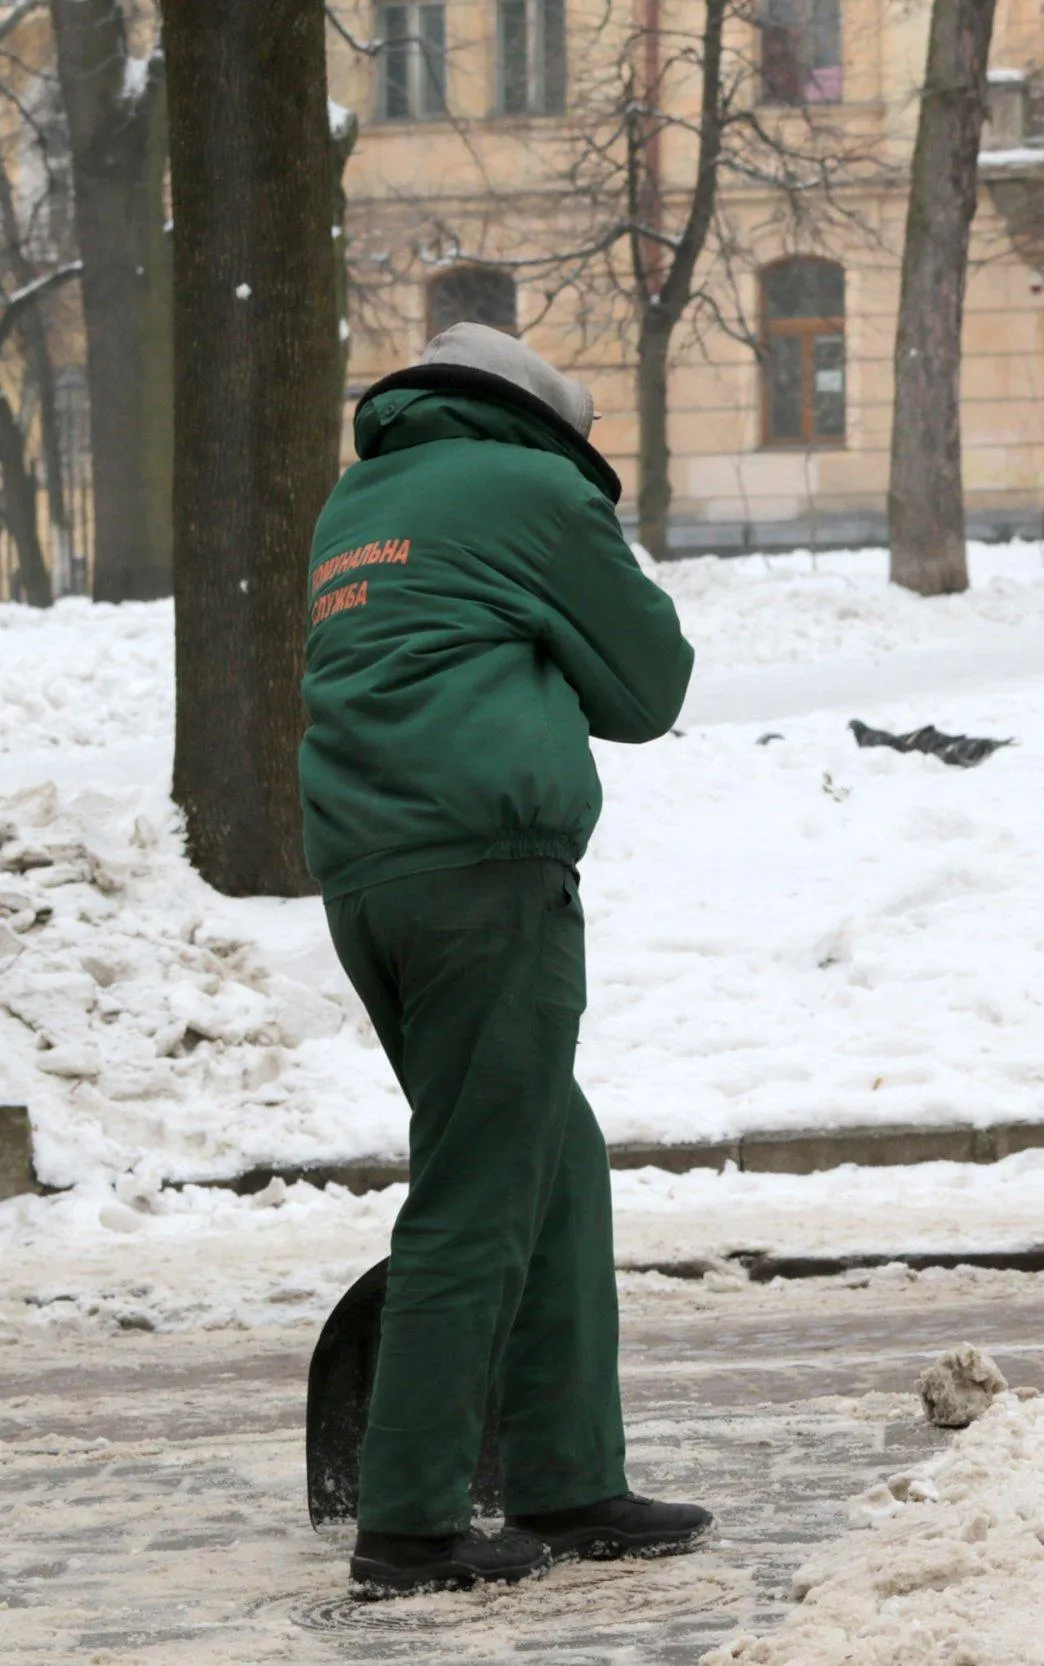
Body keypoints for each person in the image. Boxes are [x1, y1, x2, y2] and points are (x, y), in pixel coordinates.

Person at [300, 324, 708, 1598]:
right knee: (479, 1181)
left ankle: (567, 1473)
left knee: (552, 1156)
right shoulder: (537, 491)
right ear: (543, 425)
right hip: (489, 869)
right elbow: (652, 685)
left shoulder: (355, 504)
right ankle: (412, 1520)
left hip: (368, 876)